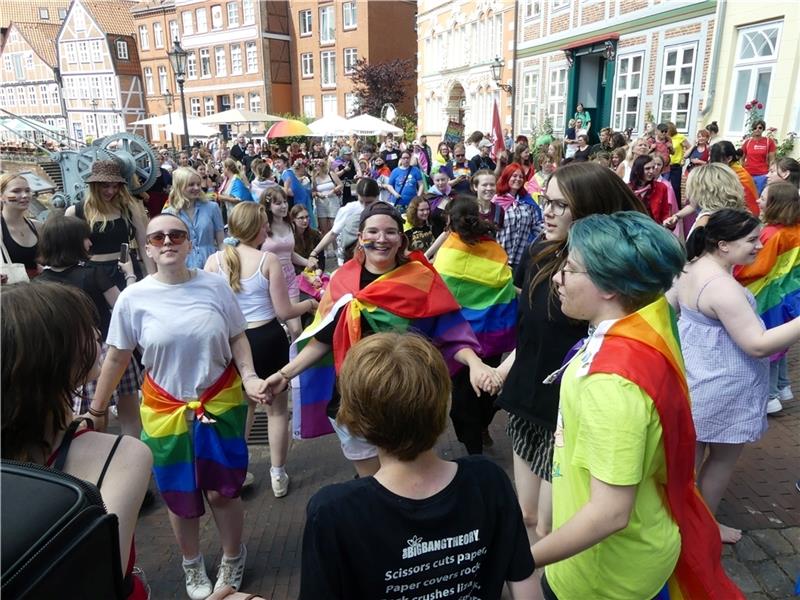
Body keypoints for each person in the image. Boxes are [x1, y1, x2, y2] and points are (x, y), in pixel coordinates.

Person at [533, 211, 742, 599]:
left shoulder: (611, 384)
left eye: (572, 269)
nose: (558, 277)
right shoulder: (648, 320)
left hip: (604, 579)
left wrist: (524, 558)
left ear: (610, 286)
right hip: (634, 553)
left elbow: (610, 513)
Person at [89, 213, 266, 599]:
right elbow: (117, 356)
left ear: (188, 243)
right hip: (164, 407)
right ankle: (192, 563)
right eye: (158, 237)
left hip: (220, 400)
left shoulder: (215, 286)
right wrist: (98, 409)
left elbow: (238, 336)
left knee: (223, 491)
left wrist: (249, 376)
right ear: (148, 249)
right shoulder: (134, 299)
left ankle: (233, 556)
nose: (167, 241)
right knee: (179, 492)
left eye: (176, 235)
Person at [264, 203, 501, 478]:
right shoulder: (342, 281)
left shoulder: (421, 278)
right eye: (373, 231)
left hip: (409, 396)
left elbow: (450, 332)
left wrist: (475, 363)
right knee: (373, 480)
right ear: (361, 237)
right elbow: (323, 339)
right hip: (355, 399)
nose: (381, 238)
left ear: (401, 239)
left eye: (390, 232)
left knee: (408, 475)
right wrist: (284, 374)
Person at [299, 333, 537, 599]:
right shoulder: (489, 481)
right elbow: (528, 592)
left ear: (354, 418)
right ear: (444, 400)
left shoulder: (333, 512)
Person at [496, 162, 647, 543]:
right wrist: (505, 368)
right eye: (545, 201)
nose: (546, 212)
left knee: (551, 524)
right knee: (527, 515)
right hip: (525, 402)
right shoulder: (538, 254)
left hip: (564, 415)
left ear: (590, 209)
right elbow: (530, 331)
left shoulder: (604, 276)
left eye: (560, 205)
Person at [2, 282, 153, 599]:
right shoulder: (122, 455)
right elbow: (101, 578)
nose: (98, 336)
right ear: (52, 355)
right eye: (84, 330)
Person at [672, 208, 800, 544]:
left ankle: (682, 525)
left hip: (697, 377)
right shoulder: (722, 287)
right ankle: (703, 528)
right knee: (721, 461)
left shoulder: (690, 268)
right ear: (723, 244)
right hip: (722, 383)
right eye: (752, 240)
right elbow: (757, 345)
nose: (760, 245)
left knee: (687, 466)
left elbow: (672, 310)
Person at [205, 203, 317, 498]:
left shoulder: (214, 262)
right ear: (256, 227)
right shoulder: (267, 260)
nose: (268, 228)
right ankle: (278, 474)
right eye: (265, 224)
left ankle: (238, 472)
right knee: (277, 410)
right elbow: (283, 311)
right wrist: (310, 304)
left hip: (231, 343)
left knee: (243, 409)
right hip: (266, 338)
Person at [36, 215, 143, 437]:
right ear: (73, 241)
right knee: (130, 417)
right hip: (109, 352)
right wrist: (130, 274)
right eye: (86, 238)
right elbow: (124, 307)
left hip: (68, 356)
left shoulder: (39, 284)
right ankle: (131, 457)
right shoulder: (93, 274)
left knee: (90, 423)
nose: (90, 243)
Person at [434, 197, 517, 454]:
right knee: (490, 387)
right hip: (493, 334)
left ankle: (474, 449)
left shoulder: (449, 250)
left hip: (460, 338)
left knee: (463, 398)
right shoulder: (493, 248)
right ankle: (479, 431)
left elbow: (439, 288)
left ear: (449, 221)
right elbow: (504, 282)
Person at [735, 181, 800, 414]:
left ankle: (769, 396)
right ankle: (782, 387)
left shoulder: (772, 234)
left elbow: (755, 268)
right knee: (781, 346)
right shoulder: (796, 229)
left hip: (768, 298)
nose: (759, 200)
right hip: (790, 296)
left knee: (768, 348)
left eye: (763, 197)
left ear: (775, 204)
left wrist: (733, 268)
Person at [66, 160, 154, 287]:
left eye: (115, 186)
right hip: (93, 274)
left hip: (126, 270)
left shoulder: (128, 208)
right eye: (105, 186)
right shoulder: (75, 212)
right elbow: (66, 252)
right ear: (94, 186)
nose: (111, 191)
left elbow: (143, 244)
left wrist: (153, 278)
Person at [260, 187, 310, 340]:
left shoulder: (290, 225)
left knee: (296, 329)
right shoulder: (261, 227)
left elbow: (290, 254)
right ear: (268, 206)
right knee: (273, 327)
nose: (283, 206)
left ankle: (297, 361)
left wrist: (308, 262)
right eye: (277, 203)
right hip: (268, 280)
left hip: (289, 278)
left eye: (284, 202)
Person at [307, 177, 383, 268]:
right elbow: (333, 233)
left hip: (377, 258)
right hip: (351, 257)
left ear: (378, 196)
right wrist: (314, 252)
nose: (364, 207)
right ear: (357, 195)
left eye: (369, 202)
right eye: (361, 201)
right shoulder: (349, 209)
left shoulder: (386, 209)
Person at [162, 167, 225, 269]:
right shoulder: (168, 214)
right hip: (181, 267)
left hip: (210, 265)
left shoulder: (212, 207)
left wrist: (224, 262)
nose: (196, 188)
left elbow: (221, 241)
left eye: (198, 184)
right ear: (180, 186)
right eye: (191, 184)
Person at [664, 163, 746, 237]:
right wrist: (676, 216)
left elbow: (693, 251)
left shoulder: (705, 222)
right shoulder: (736, 214)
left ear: (702, 190)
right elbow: (693, 205)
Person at [492, 164, 541, 270]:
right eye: (514, 176)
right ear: (507, 177)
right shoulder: (496, 201)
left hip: (521, 259)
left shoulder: (527, 202)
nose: (518, 179)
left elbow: (536, 226)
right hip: (499, 258)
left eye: (521, 177)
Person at [1, 172, 41, 279]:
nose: (25, 195)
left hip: (39, 291)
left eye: (27, 191)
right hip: (11, 292)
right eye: (16, 191)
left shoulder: (38, 227)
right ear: (1, 196)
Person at [710, 141, 759, 216]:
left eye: (718, 162)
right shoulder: (726, 169)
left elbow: (747, 203)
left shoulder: (740, 176)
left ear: (729, 158)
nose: (715, 166)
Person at [628, 154, 671, 224]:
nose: (651, 171)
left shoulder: (661, 187)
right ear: (637, 170)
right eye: (647, 168)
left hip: (653, 230)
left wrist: (668, 222)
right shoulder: (627, 189)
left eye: (653, 168)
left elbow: (665, 214)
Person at [741, 119, 776, 195]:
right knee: (747, 196)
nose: (757, 130)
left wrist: (771, 173)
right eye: (755, 128)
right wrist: (743, 171)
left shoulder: (769, 142)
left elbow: (772, 160)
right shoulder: (747, 142)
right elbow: (742, 159)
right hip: (748, 174)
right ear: (752, 129)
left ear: (763, 129)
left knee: (759, 195)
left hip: (762, 175)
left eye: (760, 128)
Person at [311, 159, 342, 235]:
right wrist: (318, 194)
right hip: (321, 203)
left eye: (317, 166)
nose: (316, 168)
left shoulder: (330, 174)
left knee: (334, 228)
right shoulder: (314, 178)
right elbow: (313, 191)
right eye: (314, 167)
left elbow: (340, 184)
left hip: (333, 201)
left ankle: (336, 246)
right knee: (323, 229)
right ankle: (325, 246)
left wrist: (333, 190)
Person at [282, 159, 316, 227]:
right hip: (300, 202)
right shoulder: (288, 173)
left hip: (302, 202)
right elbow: (292, 191)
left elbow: (292, 191)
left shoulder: (288, 173)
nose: (304, 170)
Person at [291, 204, 324, 273]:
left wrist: (319, 270)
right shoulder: (289, 237)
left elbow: (321, 258)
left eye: (307, 217)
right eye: (301, 218)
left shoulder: (315, 234)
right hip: (297, 274)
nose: (305, 220)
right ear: (293, 219)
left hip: (315, 271)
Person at [424, 170, 455, 238]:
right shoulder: (429, 197)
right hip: (436, 234)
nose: (440, 183)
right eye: (437, 180)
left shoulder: (453, 194)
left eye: (443, 179)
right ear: (433, 181)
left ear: (448, 179)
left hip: (453, 233)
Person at [667, 121, 691, 204]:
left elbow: (689, 148)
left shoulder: (680, 137)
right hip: (665, 166)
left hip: (676, 166)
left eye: (667, 130)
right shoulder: (665, 138)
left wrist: (683, 159)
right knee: (664, 186)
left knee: (676, 187)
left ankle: (677, 207)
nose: (665, 132)